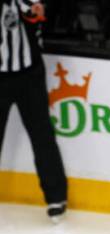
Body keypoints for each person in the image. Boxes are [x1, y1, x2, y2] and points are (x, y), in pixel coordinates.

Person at [0, 0, 68, 221]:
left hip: (30, 75)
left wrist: (38, 8)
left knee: (42, 135)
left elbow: (38, 12)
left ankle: (56, 195)